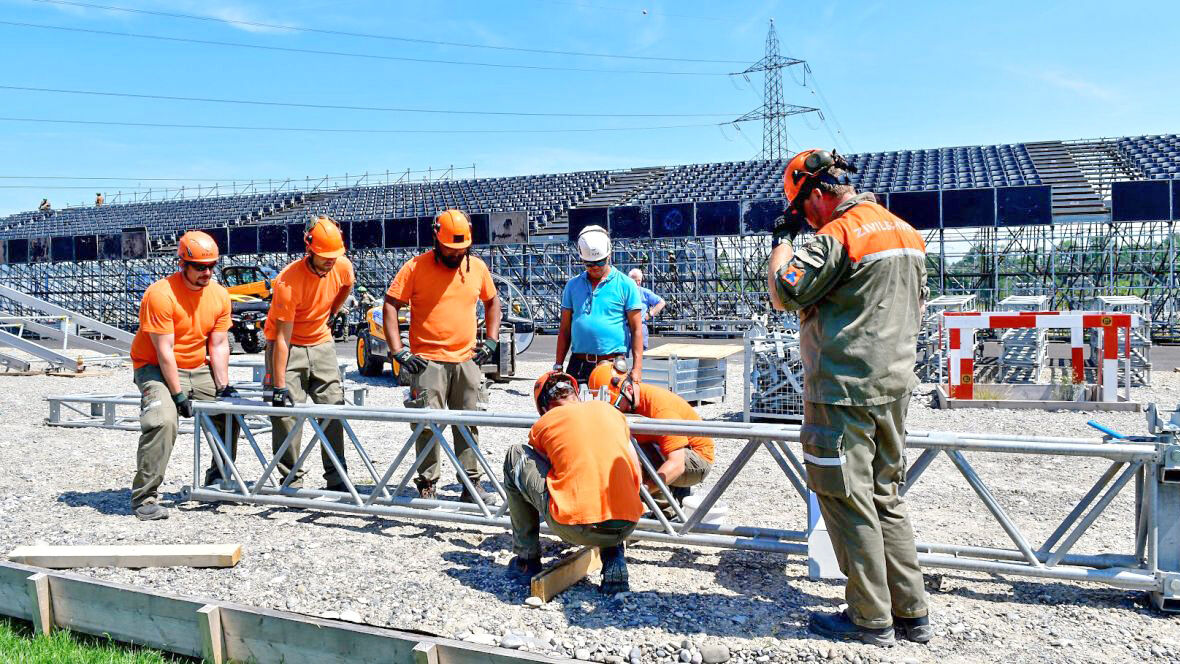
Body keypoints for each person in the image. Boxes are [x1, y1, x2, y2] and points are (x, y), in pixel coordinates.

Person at [767, 148, 931, 646]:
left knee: (846, 498)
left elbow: (784, 291)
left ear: (817, 194)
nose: (805, 219)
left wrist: (781, 246)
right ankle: (911, 612)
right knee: (886, 496)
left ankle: (870, 618)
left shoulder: (835, 235)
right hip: (893, 387)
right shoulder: (906, 233)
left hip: (841, 391)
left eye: (803, 208)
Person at [384, 209, 501, 502]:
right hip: (427, 361)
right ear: (436, 239)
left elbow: (493, 302)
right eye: (450, 249)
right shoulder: (415, 267)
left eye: (461, 250)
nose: (455, 255)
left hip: (466, 360)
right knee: (426, 424)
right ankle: (427, 483)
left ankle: (471, 483)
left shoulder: (477, 268)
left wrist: (491, 340)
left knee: (468, 422)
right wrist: (398, 351)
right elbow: (390, 305)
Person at [128, 231, 238, 520]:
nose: (207, 272)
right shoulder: (160, 295)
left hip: (196, 365)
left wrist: (223, 385)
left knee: (229, 413)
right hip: (155, 366)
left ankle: (218, 479)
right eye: (200, 267)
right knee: (162, 421)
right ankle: (145, 497)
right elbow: (164, 351)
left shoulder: (219, 295)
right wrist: (177, 396)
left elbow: (218, 343)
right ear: (183, 264)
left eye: (212, 266)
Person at [503, 370, 642, 594]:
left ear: (544, 408)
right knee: (603, 472)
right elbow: (635, 471)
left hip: (576, 526)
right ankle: (613, 554)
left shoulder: (546, 422)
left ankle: (526, 560)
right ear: (576, 393)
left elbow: (548, 466)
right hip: (627, 524)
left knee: (515, 454)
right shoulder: (610, 411)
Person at [263, 216, 354, 492]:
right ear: (310, 249)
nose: (330, 261)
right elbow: (281, 339)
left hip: (322, 343)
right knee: (286, 412)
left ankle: (337, 479)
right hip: (288, 346)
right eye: (324, 255)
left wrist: (332, 312)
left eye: (335, 255)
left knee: (332, 409)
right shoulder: (288, 283)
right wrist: (278, 385)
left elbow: (347, 286)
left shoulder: (342, 267)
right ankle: (292, 480)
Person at [587, 360, 713, 517]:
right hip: (670, 451)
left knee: (632, 458)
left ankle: (667, 512)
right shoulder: (628, 400)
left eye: (616, 406)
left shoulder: (660, 408)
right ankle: (672, 499)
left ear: (628, 389)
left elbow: (677, 464)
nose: (614, 412)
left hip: (696, 460)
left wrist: (641, 491)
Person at [554, 225, 644, 384]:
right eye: (589, 264)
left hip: (612, 364)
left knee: (611, 408)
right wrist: (558, 365)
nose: (595, 267)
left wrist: (637, 368)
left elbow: (636, 330)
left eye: (600, 262)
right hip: (578, 364)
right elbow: (565, 329)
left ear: (609, 256)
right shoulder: (572, 286)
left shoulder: (626, 285)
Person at [627, 268, 665, 349]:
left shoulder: (645, 292)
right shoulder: (623, 292)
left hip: (640, 326)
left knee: (641, 355)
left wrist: (650, 313)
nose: (638, 283)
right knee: (622, 357)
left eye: (639, 280)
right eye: (635, 280)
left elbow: (661, 302)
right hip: (625, 328)